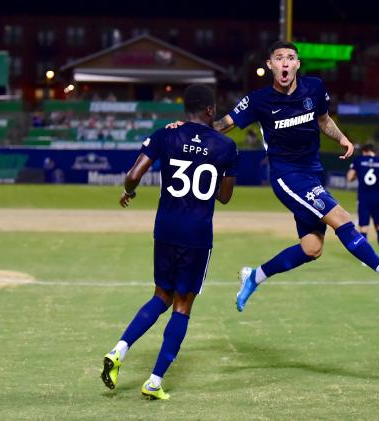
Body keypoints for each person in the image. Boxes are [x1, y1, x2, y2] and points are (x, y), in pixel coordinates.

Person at [170, 41, 379, 313]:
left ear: (297, 64)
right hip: (286, 175)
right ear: (270, 65)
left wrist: (342, 138)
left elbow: (324, 120)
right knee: (341, 218)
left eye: (290, 58)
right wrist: (188, 129)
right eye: (278, 58)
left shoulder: (314, 88)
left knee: (311, 248)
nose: (284, 62)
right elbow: (224, 124)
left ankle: (254, 275)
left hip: (312, 173)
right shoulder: (259, 100)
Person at [100, 84, 238, 400]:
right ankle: (154, 380)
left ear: (184, 110)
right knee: (183, 305)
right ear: (210, 111)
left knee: (160, 294)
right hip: (197, 234)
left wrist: (130, 192)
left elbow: (134, 175)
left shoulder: (166, 134)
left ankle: (119, 349)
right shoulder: (226, 146)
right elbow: (225, 196)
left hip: (165, 228)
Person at [346, 143, 379, 259]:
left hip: (364, 198)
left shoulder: (358, 161)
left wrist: (358, 175)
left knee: (363, 228)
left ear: (365, 151)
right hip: (377, 198)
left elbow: (349, 178)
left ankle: (365, 257)